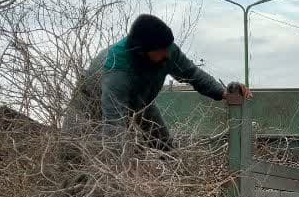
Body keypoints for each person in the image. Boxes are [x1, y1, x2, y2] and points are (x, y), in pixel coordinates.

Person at [66, 14, 251, 151]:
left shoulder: (166, 49)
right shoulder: (117, 69)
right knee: (75, 155)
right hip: (90, 108)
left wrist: (223, 93)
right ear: (142, 51)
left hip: (140, 101)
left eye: (168, 47)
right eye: (162, 50)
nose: (168, 54)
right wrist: (120, 175)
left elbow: (192, 73)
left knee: (165, 148)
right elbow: (114, 126)